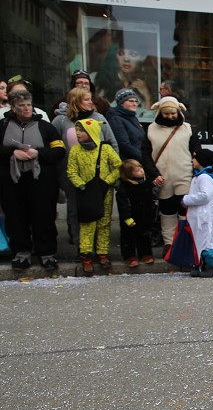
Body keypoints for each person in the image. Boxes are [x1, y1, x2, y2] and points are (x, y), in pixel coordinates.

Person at [0, 90, 65, 271]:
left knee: (43, 217)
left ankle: (47, 254)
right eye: (22, 105)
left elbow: (59, 151)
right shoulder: (2, 126)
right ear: (13, 107)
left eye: (29, 104)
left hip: (42, 183)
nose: (27, 108)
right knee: (16, 218)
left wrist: (39, 153)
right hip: (12, 183)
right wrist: (12, 153)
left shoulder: (46, 127)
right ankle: (21, 254)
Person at [53, 86, 121, 246]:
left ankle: (100, 248)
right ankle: (81, 247)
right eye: (86, 99)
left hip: (100, 174)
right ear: (75, 101)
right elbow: (55, 147)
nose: (91, 102)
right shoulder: (61, 121)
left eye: (91, 99)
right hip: (72, 175)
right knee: (75, 211)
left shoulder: (99, 118)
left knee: (100, 211)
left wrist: (114, 172)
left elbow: (112, 144)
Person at [67, 118, 122, 275]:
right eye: (77, 130)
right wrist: (80, 184)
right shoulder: (75, 151)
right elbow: (71, 171)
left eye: (82, 131)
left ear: (91, 132)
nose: (78, 134)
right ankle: (86, 255)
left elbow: (119, 166)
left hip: (104, 191)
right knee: (87, 223)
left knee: (104, 222)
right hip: (86, 191)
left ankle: (102, 252)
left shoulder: (105, 149)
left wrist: (108, 181)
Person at [146, 96, 198, 254]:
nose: (170, 117)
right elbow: (145, 154)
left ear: (179, 112)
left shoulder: (187, 129)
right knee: (166, 211)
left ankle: (185, 241)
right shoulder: (151, 130)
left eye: (173, 113)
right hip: (162, 178)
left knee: (185, 211)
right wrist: (153, 174)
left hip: (184, 176)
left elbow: (196, 150)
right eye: (166, 113)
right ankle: (169, 243)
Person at [184, 149, 213, 277]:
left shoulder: (204, 177)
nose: (192, 160)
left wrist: (185, 199)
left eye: (194, 158)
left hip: (204, 216)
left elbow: (205, 196)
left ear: (201, 161)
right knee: (202, 241)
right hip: (202, 216)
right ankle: (203, 265)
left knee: (206, 241)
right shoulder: (202, 176)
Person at [115, 158, 156, 267]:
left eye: (141, 169)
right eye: (137, 171)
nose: (142, 171)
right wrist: (127, 217)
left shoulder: (146, 183)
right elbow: (123, 205)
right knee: (128, 236)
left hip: (144, 214)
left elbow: (150, 198)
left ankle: (145, 254)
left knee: (144, 235)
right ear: (129, 174)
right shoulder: (124, 187)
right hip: (131, 216)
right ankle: (129, 256)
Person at [105, 89, 147, 166]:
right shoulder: (116, 119)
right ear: (121, 103)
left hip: (140, 160)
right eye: (131, 101)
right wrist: (144, 158)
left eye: (136, 101)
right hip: (130, 163)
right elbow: (124, 145)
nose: (134, 104)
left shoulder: (132, 117)